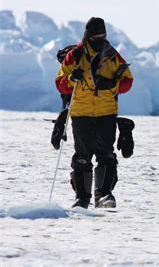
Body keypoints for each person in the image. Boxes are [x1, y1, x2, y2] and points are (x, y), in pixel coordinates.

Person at [55, 17, 134, 209]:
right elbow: (60, 83)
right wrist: (72, 79)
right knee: (82, 156)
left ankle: (104, 195)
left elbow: (128, 81)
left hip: (106, 112)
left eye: (103, 35)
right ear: (88, 35)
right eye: (97, 35)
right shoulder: (74, 56)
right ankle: (82, 198)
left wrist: (113, 85)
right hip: (81, 113)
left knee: (106, 155)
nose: (100, 38)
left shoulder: (112, 55)